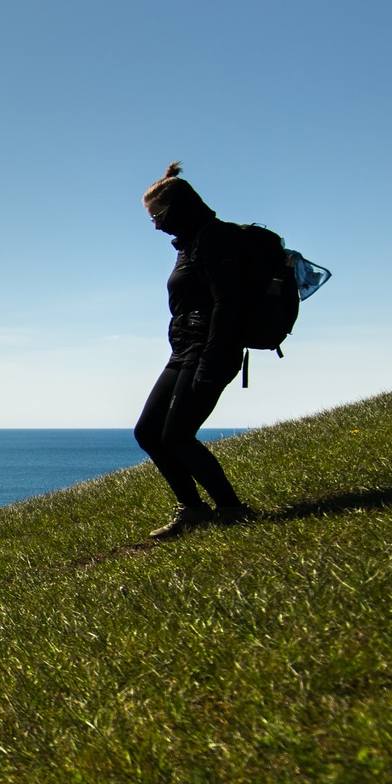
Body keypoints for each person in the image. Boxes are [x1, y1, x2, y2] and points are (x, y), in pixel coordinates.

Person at [134, 162, 258, 539]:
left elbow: (227, 303)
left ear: (181, 207)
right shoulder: (190, 244)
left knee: (178, 435)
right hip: (184, 351)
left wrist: (213, 358)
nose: (155, 226)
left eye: (158, 216)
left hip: (210, 350)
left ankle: (232, 509)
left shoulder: (215, 240)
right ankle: (192, 510)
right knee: (148, 432)